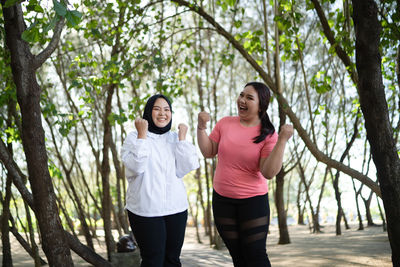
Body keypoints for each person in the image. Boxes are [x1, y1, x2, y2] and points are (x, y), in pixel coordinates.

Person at [197, 82, 293, 267]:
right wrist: (201, 128)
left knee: (255, 256)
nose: (242, 100)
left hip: (253, 202)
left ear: (261, 105)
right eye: (242, 95)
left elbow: (268, 172)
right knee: (238, 257)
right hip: (222, 201)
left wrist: (281, 140)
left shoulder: (268, 134)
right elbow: (209, 151)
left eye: (249, 97)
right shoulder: (225, 123)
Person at [121, 94, 199, 267]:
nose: (162, 113)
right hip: (145, 210)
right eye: (157, 109)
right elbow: (136, 167)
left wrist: (182, 139)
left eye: (167, 109)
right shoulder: (134, 137)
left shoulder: (174, 138)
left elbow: (188, 166)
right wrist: (142, 135)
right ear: (148, 112)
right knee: (153, 261)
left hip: (176, 209)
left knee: (172, 260)